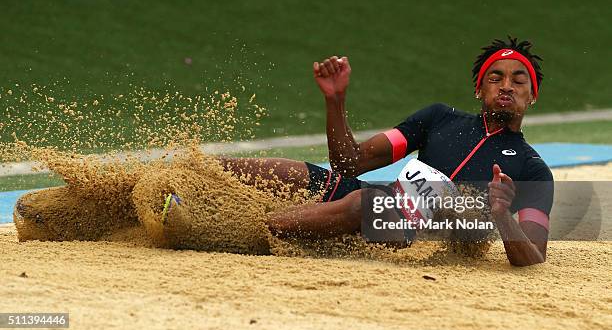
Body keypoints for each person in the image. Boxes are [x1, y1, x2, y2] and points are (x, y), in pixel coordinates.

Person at [171, 37, 554, 267]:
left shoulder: (533, 170)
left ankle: (232, 229)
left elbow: (533, 258)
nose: (506, 86)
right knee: (288, 172)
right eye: (495, 77)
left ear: (532, 95)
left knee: (365, 202)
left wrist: (503, 215)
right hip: (381, 201)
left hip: (421, 236)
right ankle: (180, 177)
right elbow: (350, 162)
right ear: (478, 89)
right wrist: (336, 101)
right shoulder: (439, 118)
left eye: (519, 81)